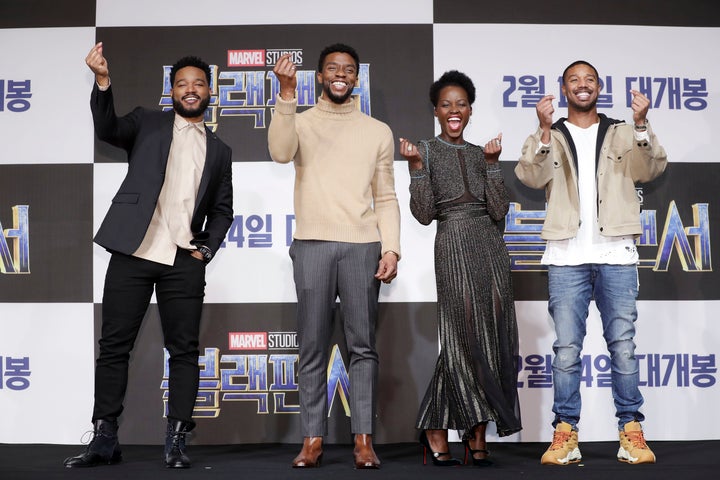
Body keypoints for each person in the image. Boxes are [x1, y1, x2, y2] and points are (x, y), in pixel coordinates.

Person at [64, 42, 233, 469]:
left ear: (209, 92)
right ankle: (104, 437)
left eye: (198, 84)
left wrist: (205, 249)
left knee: (184, 350)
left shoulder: (220, 151)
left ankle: (176, 440)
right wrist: (103, 81)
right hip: (134, 251)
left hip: (183, 260)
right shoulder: (147, 123)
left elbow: (223, 209)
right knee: (114, 346)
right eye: (182, 84)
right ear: (171, 91)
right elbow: (107, 129)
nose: (190, 90)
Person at [515, 60, 667, 465]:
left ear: (599, 87)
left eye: (589, 80)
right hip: (567, 256)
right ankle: (565, 435)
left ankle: (631, 432)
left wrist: (641, 123)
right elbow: (530, 177)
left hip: (616, 252)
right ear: (564, 90)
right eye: (573, 80)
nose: (582, 86)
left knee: (623, 348)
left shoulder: (621, 129)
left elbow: (651, 168)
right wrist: (544, 131)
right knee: (566, 350)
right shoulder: (553, 133)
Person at [268, 43, 400, 469]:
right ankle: (312, 440)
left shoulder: (376, 131)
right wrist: (286, 95)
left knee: (362, 347)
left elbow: (386, 196)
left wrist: (392, 247)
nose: (340, 75)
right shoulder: (301, 122)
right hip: (311, 245)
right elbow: (279, 151)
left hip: (363, 246)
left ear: (356, 78)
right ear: (320, 77)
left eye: (348, 69)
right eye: (332, 69)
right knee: (311, 346)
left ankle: (363, 440)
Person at [399, 70, 522, 468]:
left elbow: (500, 210)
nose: (455, 110)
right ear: (436, 110)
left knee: (490, 336)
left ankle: (464, 429)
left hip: (489, 247)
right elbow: (423, 214)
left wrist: (491, 165)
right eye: (446, 104)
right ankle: (463, 429)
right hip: (452, 243)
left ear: (471, 109)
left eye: (462, 103)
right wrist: (416, 167)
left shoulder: (480, 152)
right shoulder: (425, 150)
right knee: (462, 337)